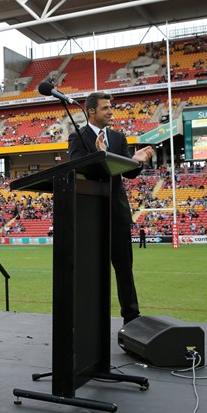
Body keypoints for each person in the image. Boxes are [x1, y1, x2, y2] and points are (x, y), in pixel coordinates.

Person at [68, 91, 155, 325]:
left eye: (111, 107)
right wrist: (100, 156)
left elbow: (128, 172)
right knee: (91, 270)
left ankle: (131, 318)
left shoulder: (118, 138)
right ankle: (89, 319)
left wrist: (136, 161)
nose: (111, 112)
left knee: (124, 268)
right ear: (91, 111)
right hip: (91, 214)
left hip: (117, 213)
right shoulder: (78, 137)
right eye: (105, 108)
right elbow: (77, 170)